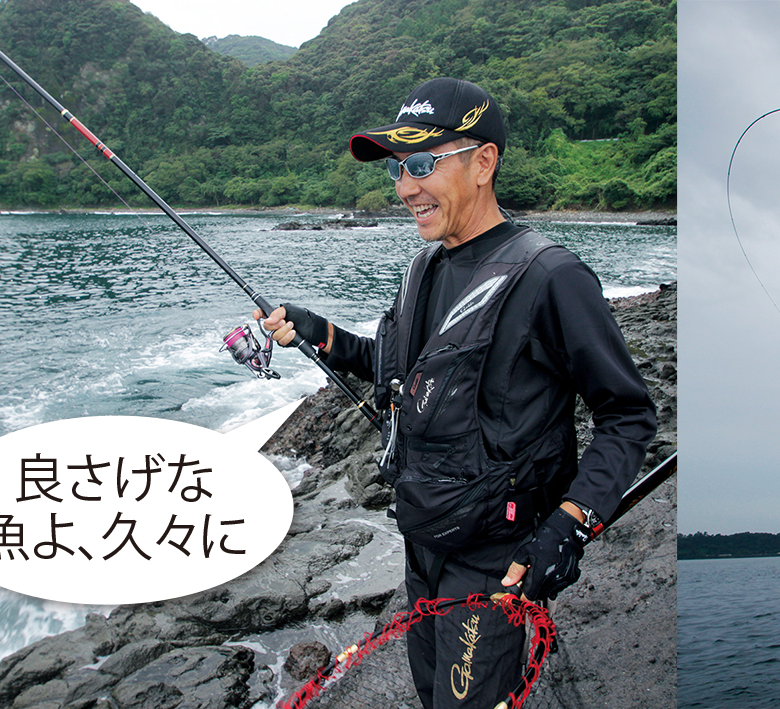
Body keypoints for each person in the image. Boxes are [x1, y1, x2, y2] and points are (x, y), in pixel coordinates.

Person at [254, 77, 656, 708]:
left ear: (484, 163)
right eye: (397, 170)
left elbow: (628, 415)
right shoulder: (425, 266)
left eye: (422, 164)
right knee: (429, 695)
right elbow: (397, 373)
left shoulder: (552, 277)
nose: (407, 187)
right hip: (423, 539)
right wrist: (317, 330)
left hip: (496, 559)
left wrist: (569, 526)